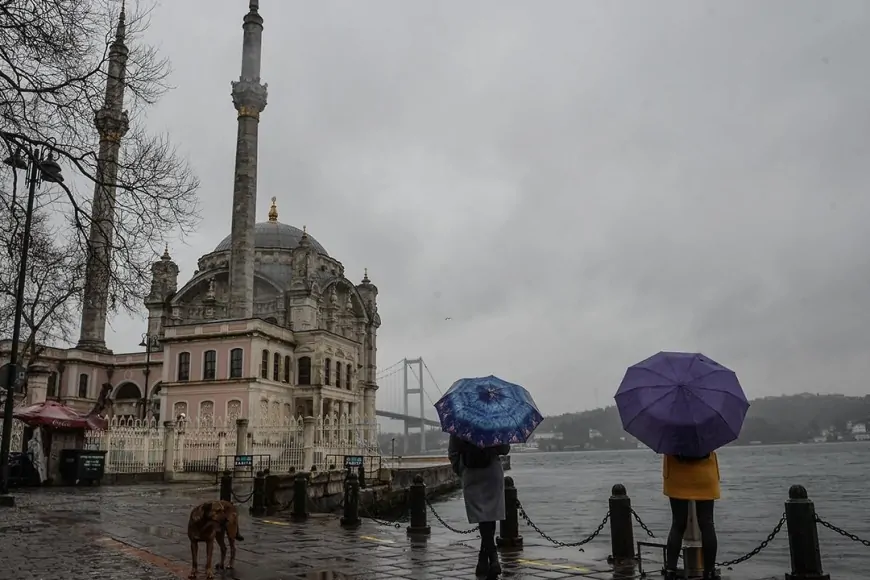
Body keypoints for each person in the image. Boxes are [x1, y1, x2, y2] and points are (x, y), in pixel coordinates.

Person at [448, 434, 511, 578]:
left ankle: (484, 560)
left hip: (471, 471)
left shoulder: (461, 424)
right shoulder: (495, 422)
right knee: (491, 514)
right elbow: (505, 449)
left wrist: (462, 470)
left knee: (482, 515)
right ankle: (493, 558)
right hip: (492, 471)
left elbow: (453, 452)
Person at [662, 452, 720, 580]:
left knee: (678, 524)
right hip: (704, 475)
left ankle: (671, 570)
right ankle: (709, 572)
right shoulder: (706, 431)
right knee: (707, 523)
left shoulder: (672, 431)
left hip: (677, 475)